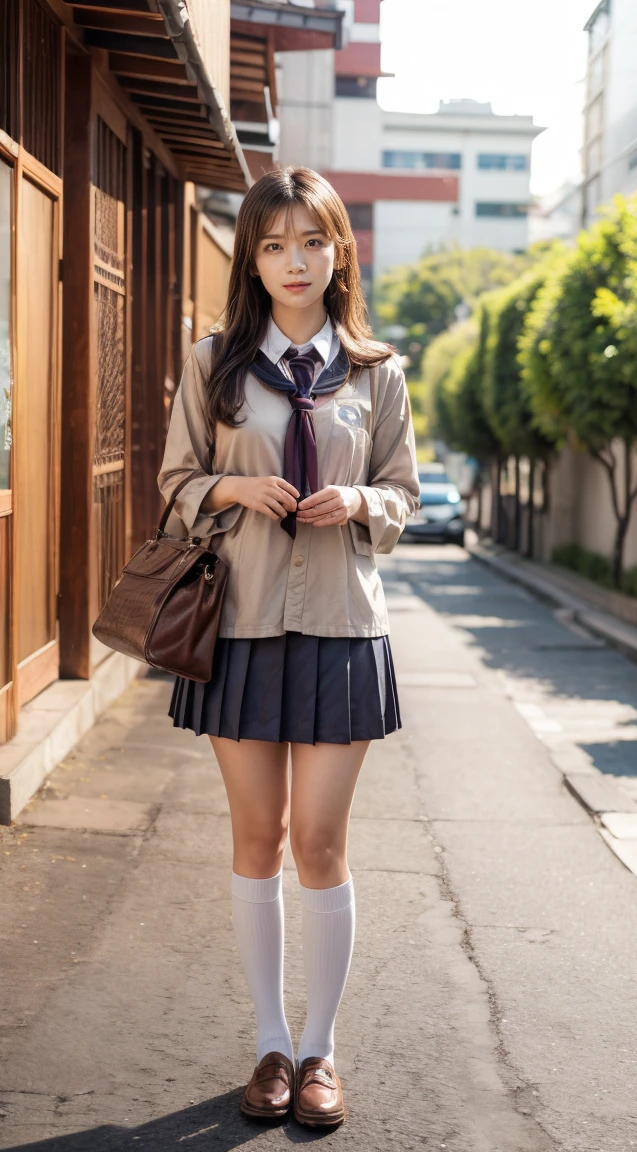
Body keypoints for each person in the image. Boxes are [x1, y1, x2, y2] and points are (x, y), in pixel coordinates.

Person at [158, 167, 419, 1128]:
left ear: (339, 249)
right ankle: (270, 1044)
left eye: (312, 242)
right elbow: (175, 476)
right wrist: (231, 490)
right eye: (273, 245)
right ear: (253, 259)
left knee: (319, 843)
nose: (294, 262)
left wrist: (356, 500)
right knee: (256, 839)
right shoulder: (214, 362)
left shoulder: (377, 370)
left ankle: (322, 1050)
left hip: (343, 627)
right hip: (242, 626)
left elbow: (404, 493)